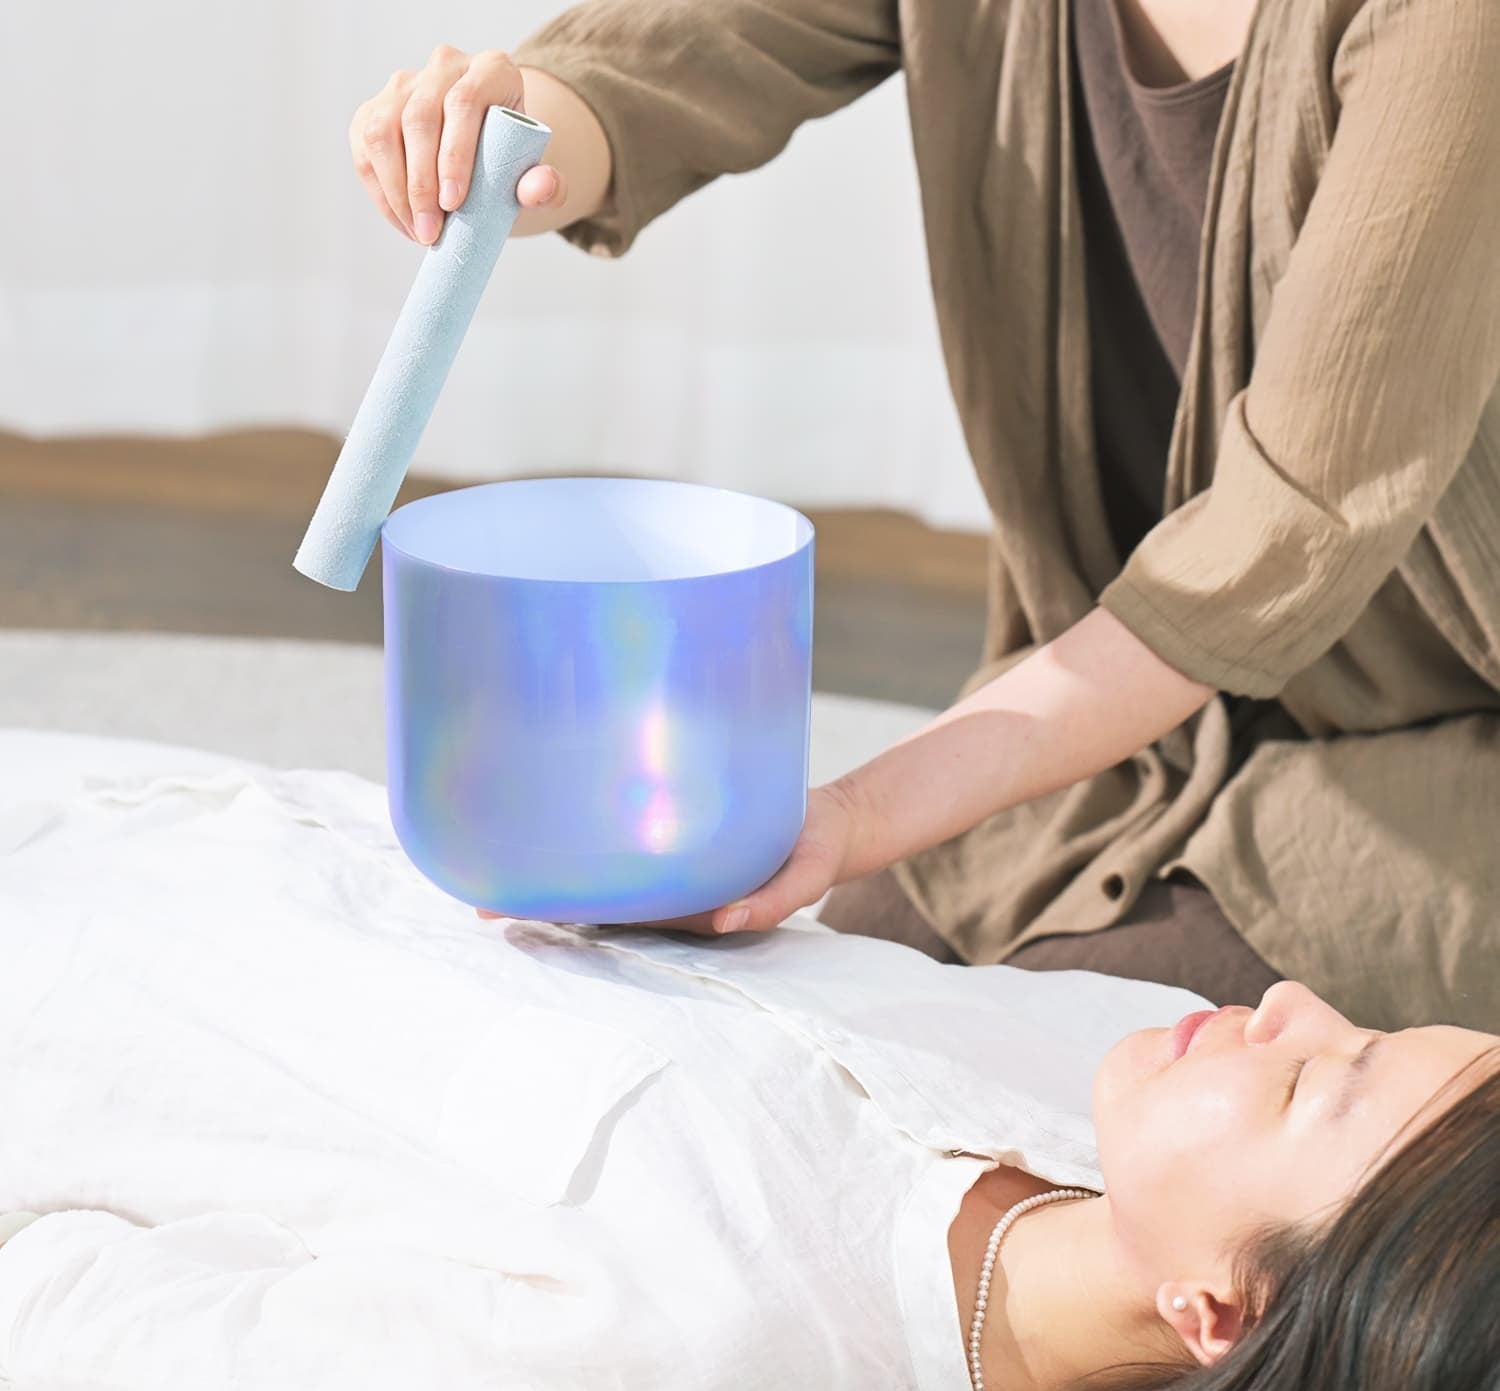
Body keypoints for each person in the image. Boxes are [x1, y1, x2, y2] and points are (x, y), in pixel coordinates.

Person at [346, 1, 1500, 1028]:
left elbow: (1287, 522)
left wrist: (859, 809)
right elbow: (688, 52)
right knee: (796, 989)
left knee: (1028, 1054)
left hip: (1439, 754)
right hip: (1128, 727)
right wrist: (501, 133)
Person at [0, 749, 1495, 1391]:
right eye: (1359, 1020)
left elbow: (75, 1335)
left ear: (1220, 1311)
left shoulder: (694, 1385)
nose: (1291, 997)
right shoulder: (1081, 1060)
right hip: (152, 797)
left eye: (1317, 1079)